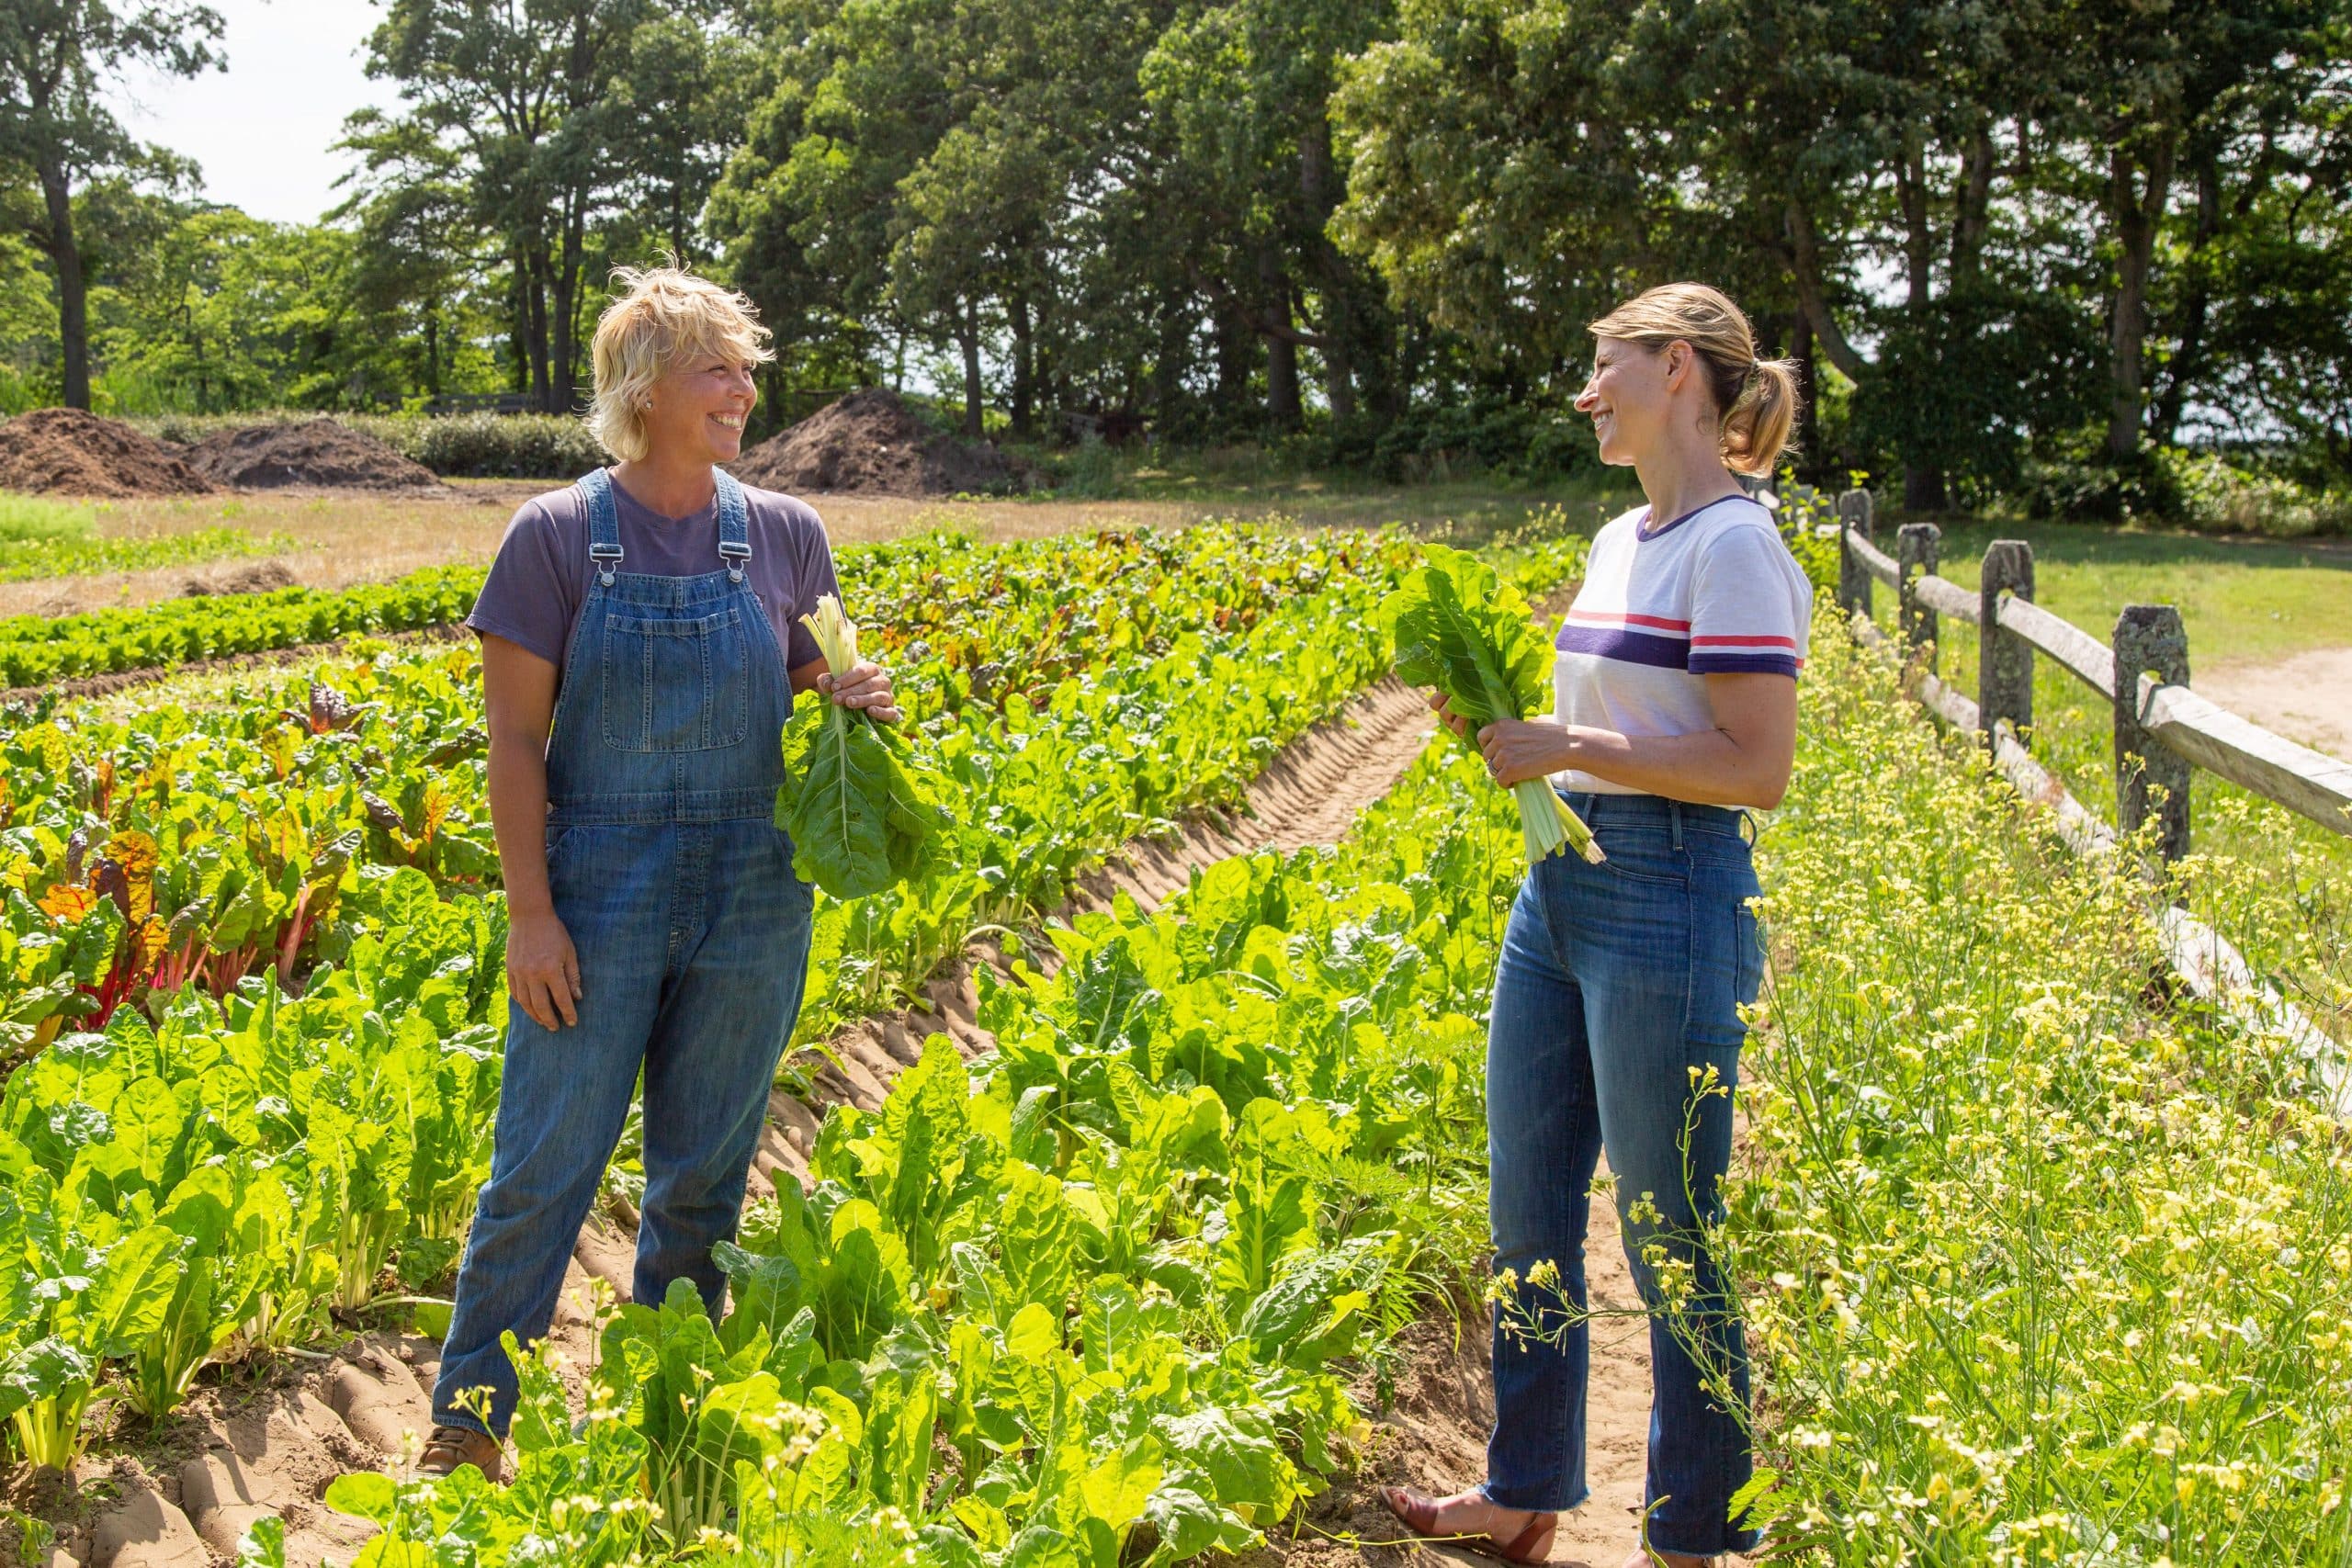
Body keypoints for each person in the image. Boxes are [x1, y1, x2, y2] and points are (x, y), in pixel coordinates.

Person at [417, 267, 899, 1482]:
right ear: (647, 388)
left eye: (745, 367)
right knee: (541, 1167)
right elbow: (517, 742)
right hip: (598, 889)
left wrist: (852, 698)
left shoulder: (786, 532)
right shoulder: (556, 535)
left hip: (753, 890)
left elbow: (807, 690)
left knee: (704, 1177)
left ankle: (668, 1413)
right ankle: (469, 1425)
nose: (745, 389)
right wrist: (532, 914)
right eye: (718, 369)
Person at [1382, 283, 1811, 1566]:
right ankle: (1525, 1493)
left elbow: (1755, 768)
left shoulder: (1736, 544)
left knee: (1670, 1235)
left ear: (1675, 368)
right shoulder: (1625, 533)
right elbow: (1617, 724)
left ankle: (1692, 1534)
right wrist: (1520, 741)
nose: (1587, 391)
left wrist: (1576, 743)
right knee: (1529, 1210)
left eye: (1603, 364)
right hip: (1562, 893)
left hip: (1671, 889)